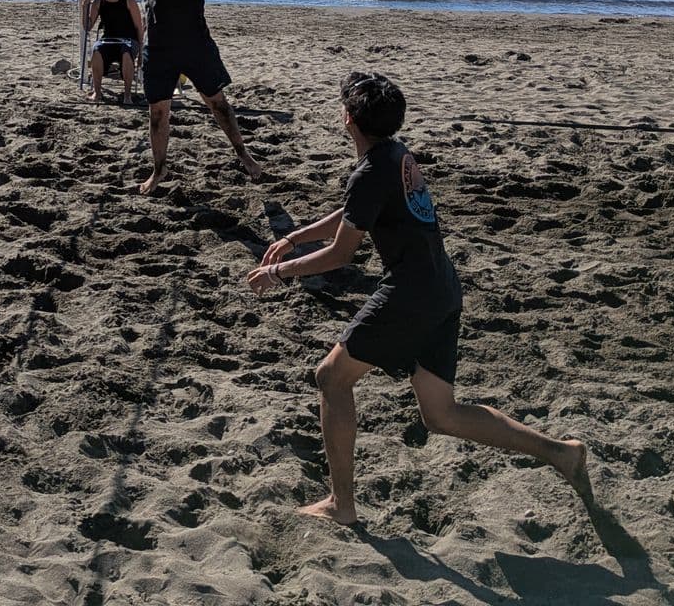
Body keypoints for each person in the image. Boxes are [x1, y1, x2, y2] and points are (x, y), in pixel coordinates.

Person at [247, 72, 588, 526]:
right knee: (442, 414)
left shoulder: (370, 170)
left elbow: (342, 253)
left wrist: (279, 271)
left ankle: (340, 505)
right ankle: (562, 453)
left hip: (409, 294)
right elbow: (356, 210)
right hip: (442, 288)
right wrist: (295, 237)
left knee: (331, 378)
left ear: (347, 118)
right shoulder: (396, 153)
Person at [113, 0, 261, 193]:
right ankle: (159, 170)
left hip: (197, 46)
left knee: (218, 104)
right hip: (159, 49)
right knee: (158, 113)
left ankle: (243, 154)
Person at [80, 0, 144, 104]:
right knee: (97, 50)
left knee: (126, 53)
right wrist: (85, 6)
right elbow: (87, 26)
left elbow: (139, 27)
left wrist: (141, 51)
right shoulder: (99, 2)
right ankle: (97, 93)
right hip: (108, 40)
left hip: (128, 41)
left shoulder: (129, 1)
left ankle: (127, 96)